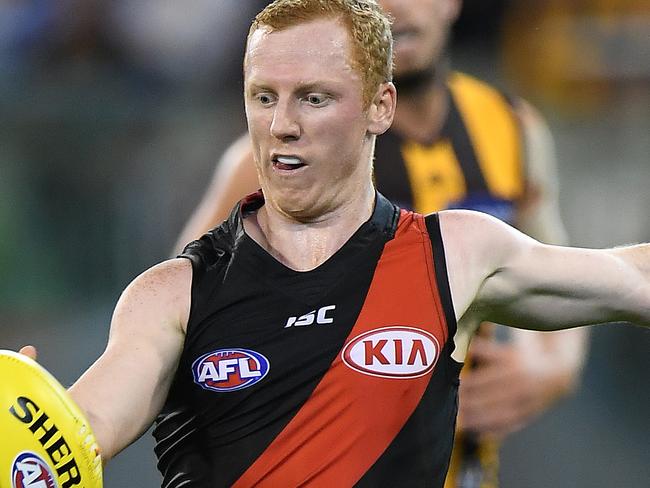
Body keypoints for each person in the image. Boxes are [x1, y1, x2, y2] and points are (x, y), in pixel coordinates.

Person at [19, 1, 649, 487]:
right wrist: (23, 419)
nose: (282, 126)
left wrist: (551, 366)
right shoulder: (172, 294)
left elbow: (630, 275)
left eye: (313, 99)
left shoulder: (455, 252)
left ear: (380, 107)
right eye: (263, 98)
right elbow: (81, 428)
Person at [173, 1, 588, 486]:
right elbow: (181, 316)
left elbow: (556, 260)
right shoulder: (280, 155)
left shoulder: (511, 128)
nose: (393, 7)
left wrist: (551, 368)